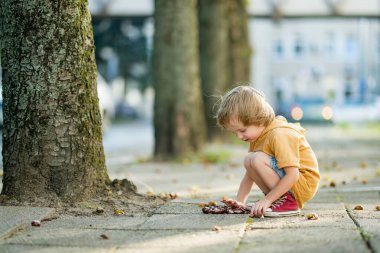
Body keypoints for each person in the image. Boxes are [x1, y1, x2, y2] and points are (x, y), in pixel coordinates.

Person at [216, 85, 320, 217]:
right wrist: (240, 202)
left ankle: (287, 203)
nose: (239, 136)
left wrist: (267, 200)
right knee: (249, 159)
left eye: (242, 130)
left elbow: (292, 174)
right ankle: (279, 200)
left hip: (303, 183)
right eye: (234, 132)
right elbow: (250, 174)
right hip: (291, 182)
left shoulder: (279, 134)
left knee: (257, 159)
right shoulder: (258, 136)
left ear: (258, 119)